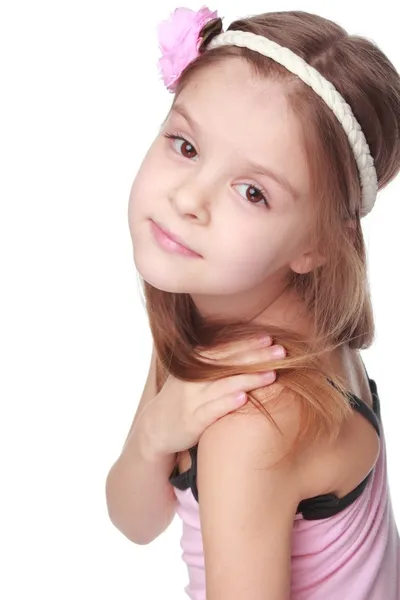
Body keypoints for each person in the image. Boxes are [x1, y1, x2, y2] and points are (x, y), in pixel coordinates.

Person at [105, 7, 400, 599]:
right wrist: (151, 437)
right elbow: (136, 521)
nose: (190, 198)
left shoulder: (254, 416)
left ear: (317, 243)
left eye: (253, 192)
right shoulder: (220, 310)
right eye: (186, 146)